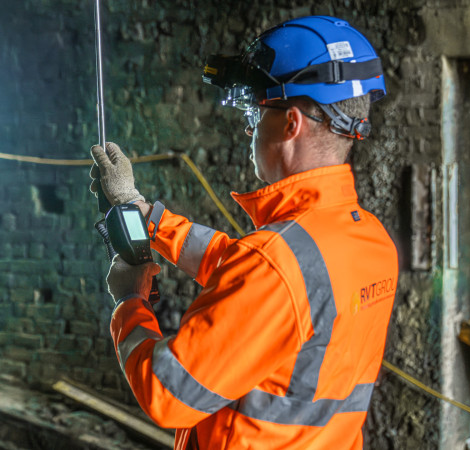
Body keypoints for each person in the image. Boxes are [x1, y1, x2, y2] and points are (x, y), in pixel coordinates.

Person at [90, 16, 398, 449]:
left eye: (256, 110)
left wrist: (129, 301)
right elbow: (244, 268)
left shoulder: (275, 264)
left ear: (291, 123)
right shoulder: (369, 241)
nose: (250, 126)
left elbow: (167, 392)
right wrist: (145, 215)